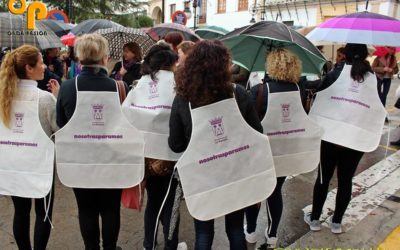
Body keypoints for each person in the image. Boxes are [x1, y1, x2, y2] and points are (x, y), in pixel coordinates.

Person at [169, 40, 270, 250]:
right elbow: (257, 133)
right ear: (223, 66)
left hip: (201, 176)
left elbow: (176, 145)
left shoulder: (183, 99)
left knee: (203, 233)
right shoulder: (238, 93)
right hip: (234, 172)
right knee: (234, 230)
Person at [56, 34, 142, 250]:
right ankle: (110, 248)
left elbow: (61, 123)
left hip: (80, 161)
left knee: (86, 209)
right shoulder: (120, 88)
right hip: (112, 159)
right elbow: (129, 123)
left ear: (80, 58)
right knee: (111, 208)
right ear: (104, 58)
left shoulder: (67, 88)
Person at [245, 48, 322, 249]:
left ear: (271, 66)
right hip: (286, 151)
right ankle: (271, 236)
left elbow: (248, 123)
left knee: (255, 191)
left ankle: (251, 231)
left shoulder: (259, 91)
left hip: (262, 152)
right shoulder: (299, 90)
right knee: (275, 191)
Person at [306, 44, 386, 234]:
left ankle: (315, 219)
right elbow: (377, 105)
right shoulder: (373, 77)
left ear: (346, 54)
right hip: (355, 137)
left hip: (331, 135)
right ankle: (336, 223)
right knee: (345, 180)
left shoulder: (336, 72)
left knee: (324, 178)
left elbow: (320, 93)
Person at [121, 44, 186, 250]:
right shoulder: (179, 85)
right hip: (172, 155)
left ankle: (148, 244)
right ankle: (170, 245)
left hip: (144, 155)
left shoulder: (139, 84)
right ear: (171, 63)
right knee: (171, 205)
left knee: (153, 202)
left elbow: (125, 115)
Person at [0, 45, 59, 250]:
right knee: (43, 212)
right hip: (41, 164)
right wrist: (57, 99)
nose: (44, 66)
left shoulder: (4, 97)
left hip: (13, 162)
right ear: (29, 68)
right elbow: (58, 130)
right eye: (41, 62)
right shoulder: (45, 99)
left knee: (21, 212)